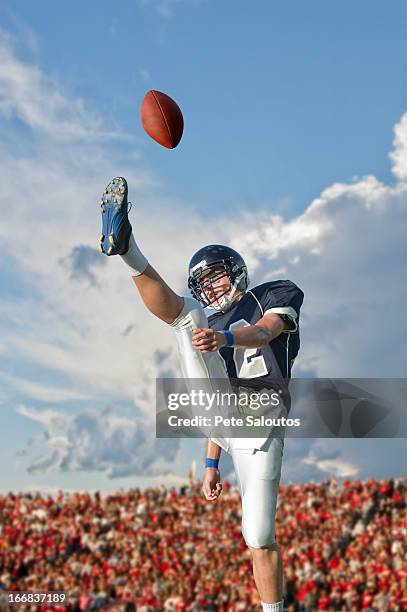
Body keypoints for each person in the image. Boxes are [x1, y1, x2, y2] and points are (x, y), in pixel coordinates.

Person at [98, 176, 304, 612]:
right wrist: (210, 463)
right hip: (226, 416)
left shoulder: (273, 294)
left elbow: (267, 331)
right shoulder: (207, 320)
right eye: (203, 282)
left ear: (237, 272)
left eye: (215, 276)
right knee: (187, 317)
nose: (211, 287)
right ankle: (126, 246)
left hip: (263, 422)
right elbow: (217, 392)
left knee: (259, 536)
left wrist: (226, 340)